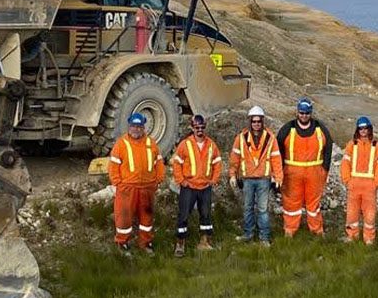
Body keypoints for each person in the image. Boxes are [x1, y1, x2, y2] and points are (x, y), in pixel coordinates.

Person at [108, 112, 165, 256]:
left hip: (147, 188)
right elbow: (113, 166)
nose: (136, 129)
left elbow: (158, 162)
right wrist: (118, 184)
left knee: (146, 217)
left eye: (139, 127)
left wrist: (158, 180)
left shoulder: (150, 144)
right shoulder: (121, 144)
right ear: (129, 127)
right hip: (127, 188)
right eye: (134, 126)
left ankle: (145, 243)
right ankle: (122, 243)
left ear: (143, 128)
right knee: (124, 217)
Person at [277, 97, 333, 237]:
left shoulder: (321, 129)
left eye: (307, 113)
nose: (304, 116)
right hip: (292, 174)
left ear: (311, 113)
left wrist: (324, 170)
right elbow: (277, 152)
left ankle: (316, 230)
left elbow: (328, 149)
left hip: (315, 174)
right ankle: (290, 229)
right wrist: (279, 172)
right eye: (301, 113)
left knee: (313, 204)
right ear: (297, 112)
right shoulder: (287, 129)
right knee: (291, 203)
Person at [228, 106, 283, 245]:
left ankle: (264, 237)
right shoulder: (241, 138)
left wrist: (278, 177)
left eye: (259, 121)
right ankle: (248, 233)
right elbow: (235, 158)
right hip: (247, 179)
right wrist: (232, 175)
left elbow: (276, 158)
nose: (256, 124)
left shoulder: (270, 138)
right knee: (247, 207)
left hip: (264, 179)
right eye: (254, 121)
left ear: (262, 121)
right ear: (250, 122)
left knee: (262, 209)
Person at [171, 114, 222, 256]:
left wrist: (213, 180)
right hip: (189, 187)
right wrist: (182, 181)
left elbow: (217, 163)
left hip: (205, 187)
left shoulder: (211, 144)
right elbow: (177, 164)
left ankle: (205, 242)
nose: (200, 130)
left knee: (206, 215)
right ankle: (180, 244)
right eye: (197, 127)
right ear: (192, 128)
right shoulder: (185, 144)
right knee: (184, 215)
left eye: (202, 127)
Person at [340, 116, 378, 244]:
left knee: (369, 214)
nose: (363, 131)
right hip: (354, 184)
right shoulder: (351, 145)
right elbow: (345, 163)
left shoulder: (377, 146)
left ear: (369, 129)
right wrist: (347, 180)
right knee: (352, 212)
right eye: (361, 129)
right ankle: (352, 236)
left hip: (369, 185)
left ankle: (369, 238)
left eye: (365, 128)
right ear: (357, 130)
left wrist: (376, 182)